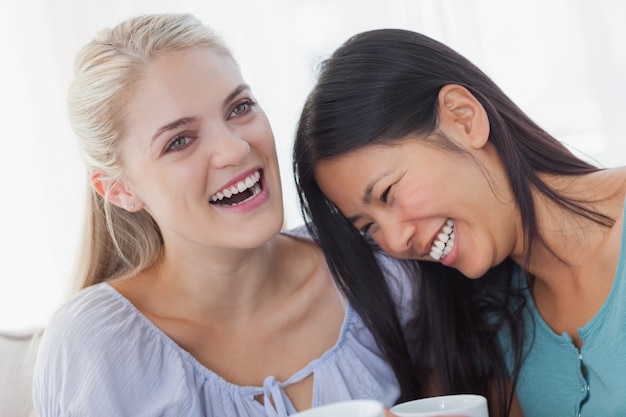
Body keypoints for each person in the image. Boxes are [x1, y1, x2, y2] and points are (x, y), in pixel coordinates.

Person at [32, 14, 424, 417]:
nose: (235, 149)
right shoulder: (96, 349)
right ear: (120, 190)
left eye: (240, 108)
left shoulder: (382, 266)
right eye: (179, 141)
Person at [293, 27, 626, 417]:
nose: (397, 241)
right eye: (369, 228)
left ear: (464, 119)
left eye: (387, 193)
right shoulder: (495, 321)